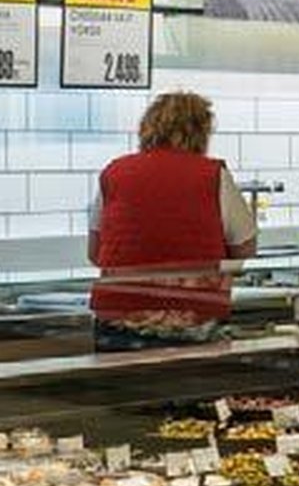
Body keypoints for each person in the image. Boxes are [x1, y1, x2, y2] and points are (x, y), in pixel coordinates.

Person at [87, 92, 258, 343]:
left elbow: (94, 252)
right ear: (200, 133)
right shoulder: (212, 175)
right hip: (190, 319)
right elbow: (246, 250)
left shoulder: (114, 172)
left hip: (118, 319)